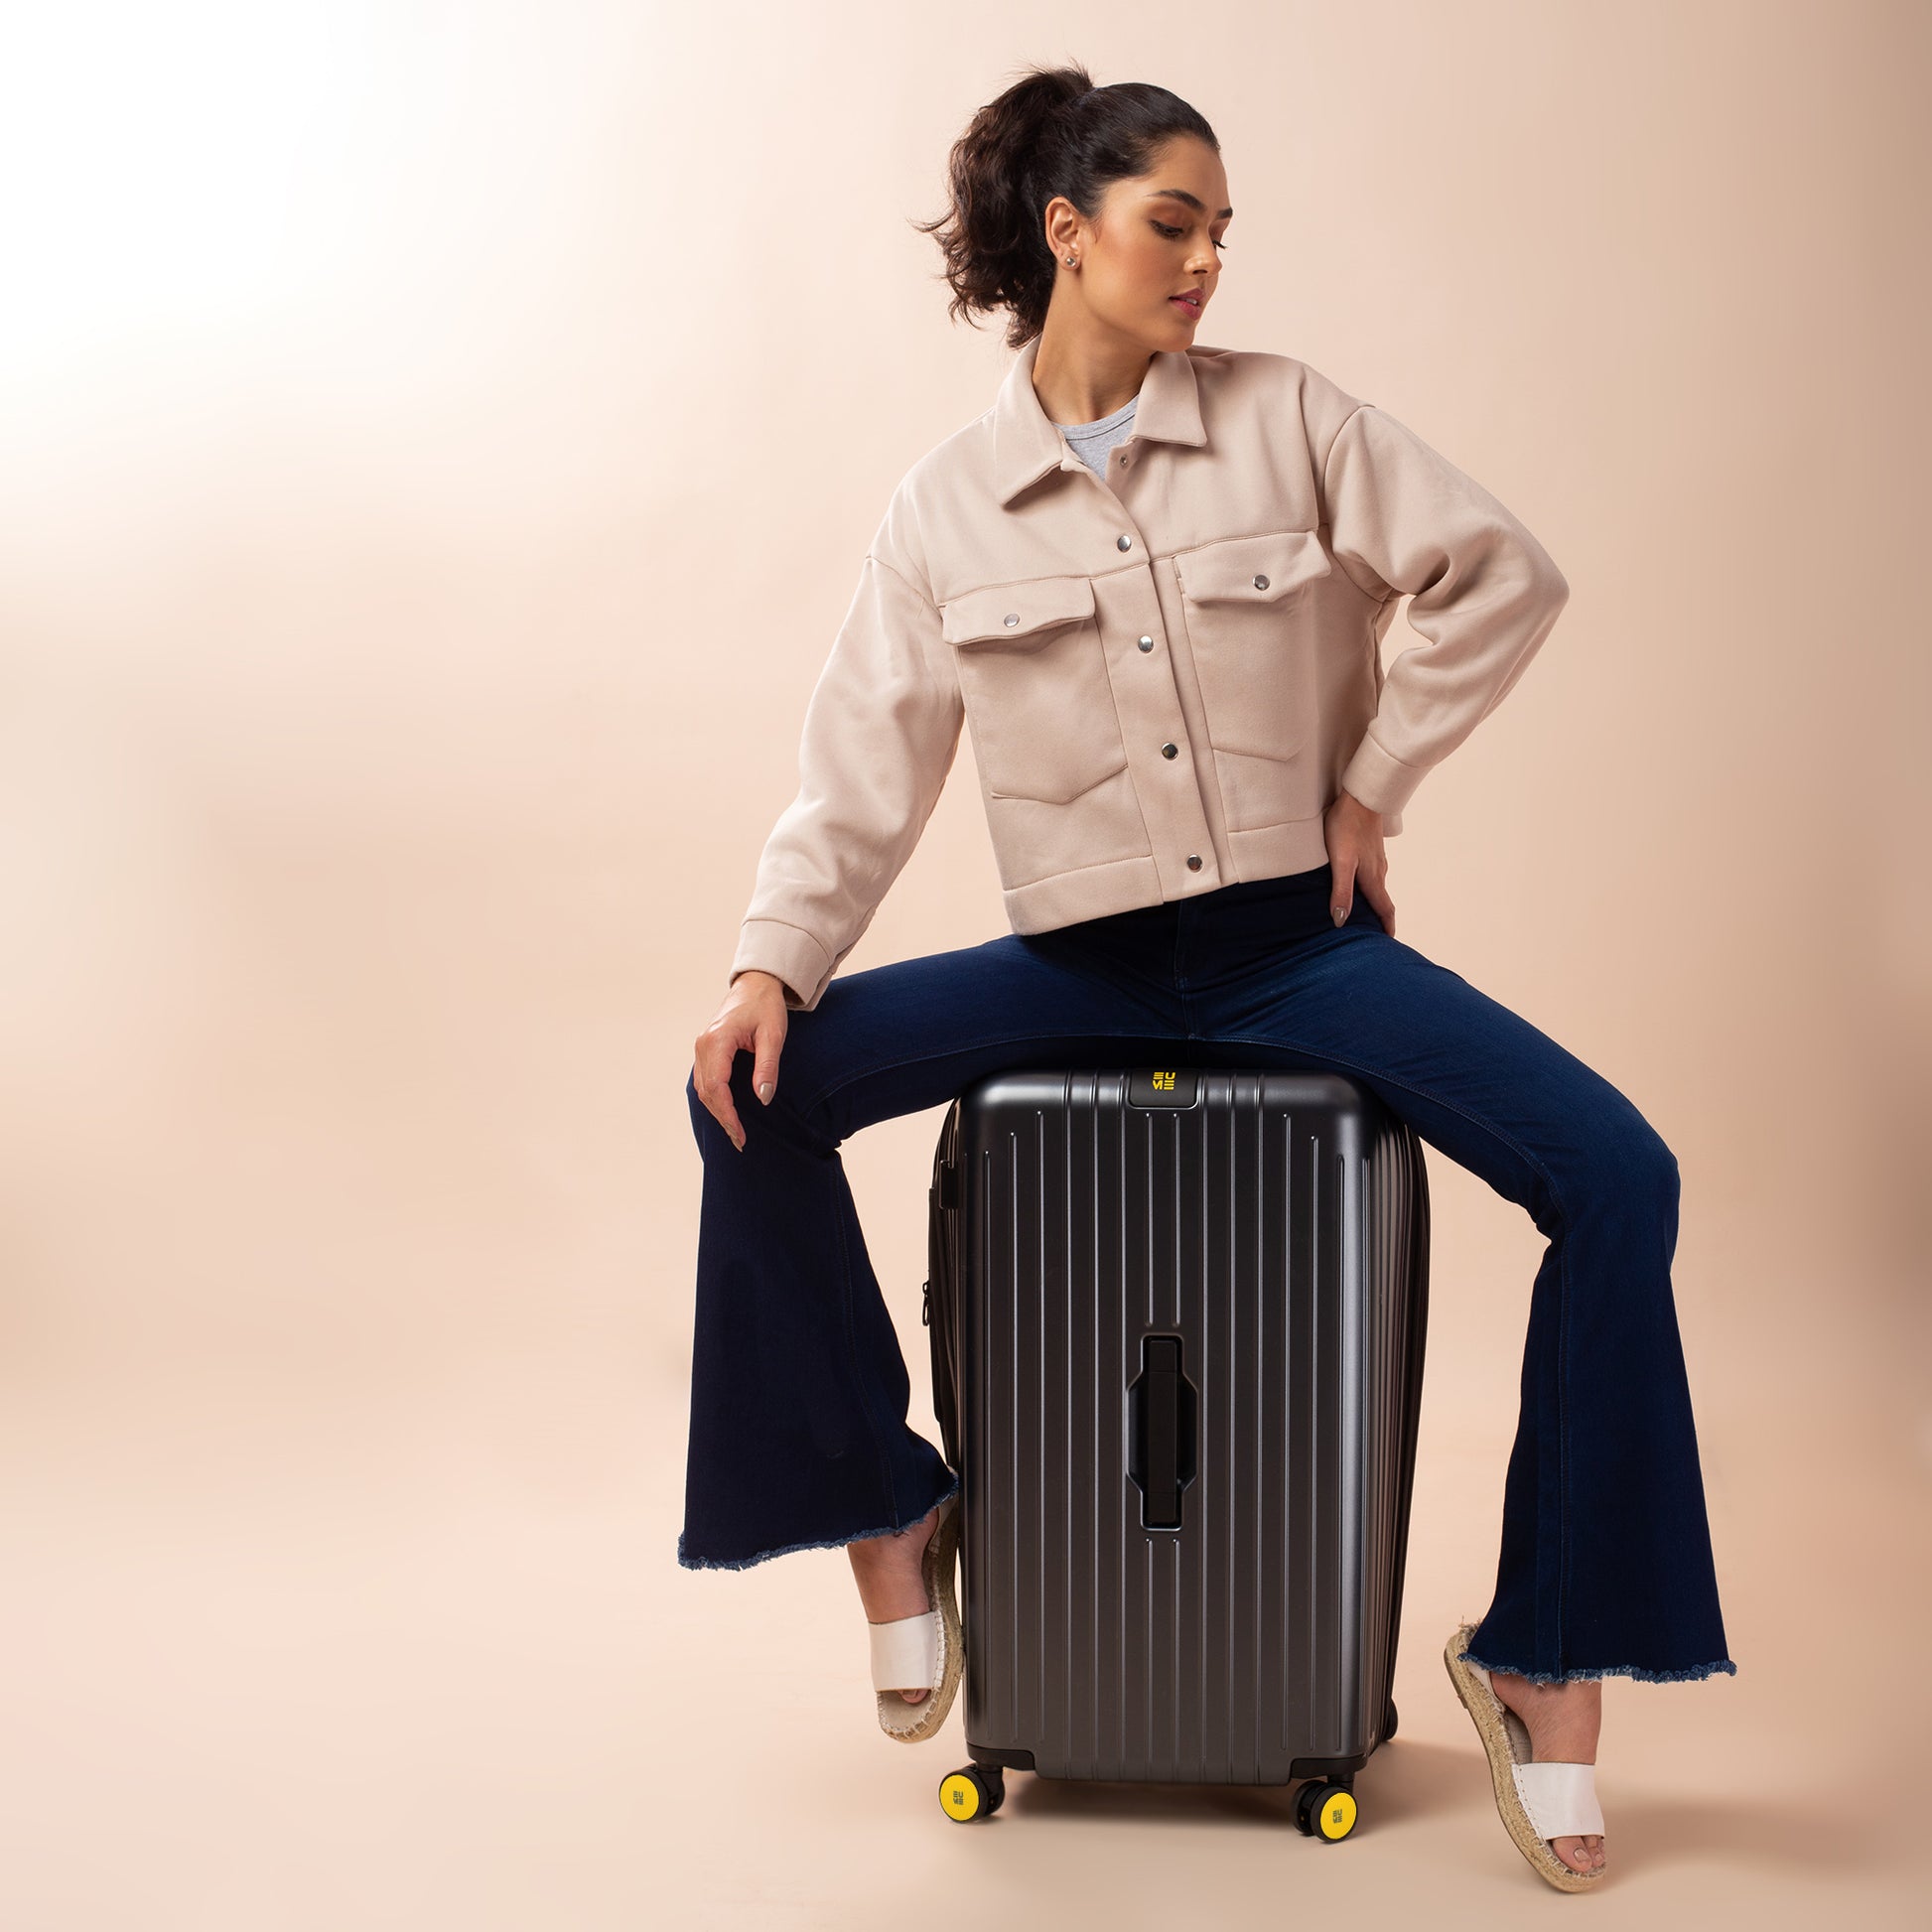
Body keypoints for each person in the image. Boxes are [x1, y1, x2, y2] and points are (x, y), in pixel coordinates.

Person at [681, 63, 1734, 1890]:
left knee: (1617, 1177)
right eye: (1172, 223)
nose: (1205, 262)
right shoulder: (943, 512)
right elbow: (864, 766)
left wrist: (1369, 783)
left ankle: (1544, 1652)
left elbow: (1498, 571)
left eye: (1222, 230)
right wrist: (774, 963)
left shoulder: (1288, 421)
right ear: (1064, 231)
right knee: (743, 1089)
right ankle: (885, 1500)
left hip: (1290, 963)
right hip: (1073, 969)